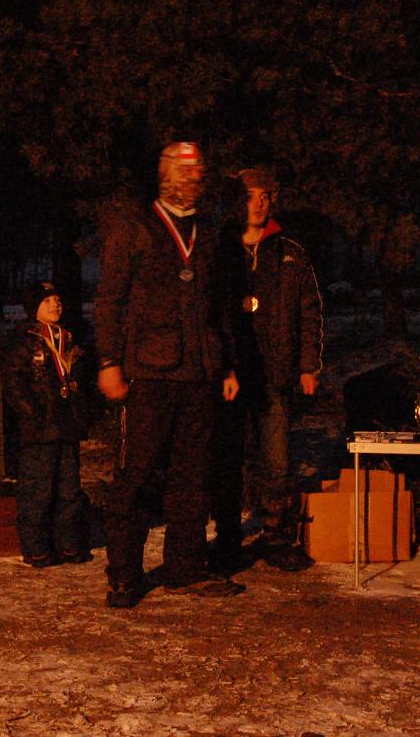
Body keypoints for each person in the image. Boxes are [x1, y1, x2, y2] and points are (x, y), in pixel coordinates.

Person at [95, 141, 243, 608]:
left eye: (199, 171)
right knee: (136, 476)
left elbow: (221, 305)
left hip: (200, 373)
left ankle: (185, 567)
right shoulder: (134, 227)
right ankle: (123, 575)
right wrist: (108, 361)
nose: (195, 178)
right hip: (149, 372)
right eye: (186, 170)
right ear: (165, 174)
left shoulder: (210, 231)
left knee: (193, 477)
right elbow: (110, 300)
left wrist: (226, 363)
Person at [211, 167, 323, 574]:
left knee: (276, 459)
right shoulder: (219, 250)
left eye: (265, 196)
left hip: (274, 372)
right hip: (231, 374)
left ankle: (277, 536)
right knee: (229, 460)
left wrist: (308, 365)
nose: (258, 204)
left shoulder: (289, 252)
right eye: (250, 196)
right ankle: (227, 538)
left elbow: (309, 310)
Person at [2, 281, 90, 567]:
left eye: (57, 299)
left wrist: (81, 414)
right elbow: (13, 383)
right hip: (39, 430)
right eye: (47, 301)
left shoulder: (69, 338)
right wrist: (32, 414)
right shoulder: (25, 340)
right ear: (33, 308)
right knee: (37, 490)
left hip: (67, 427)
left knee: (69, 490)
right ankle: (36, 547)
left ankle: (69, 544)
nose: (55, 304)